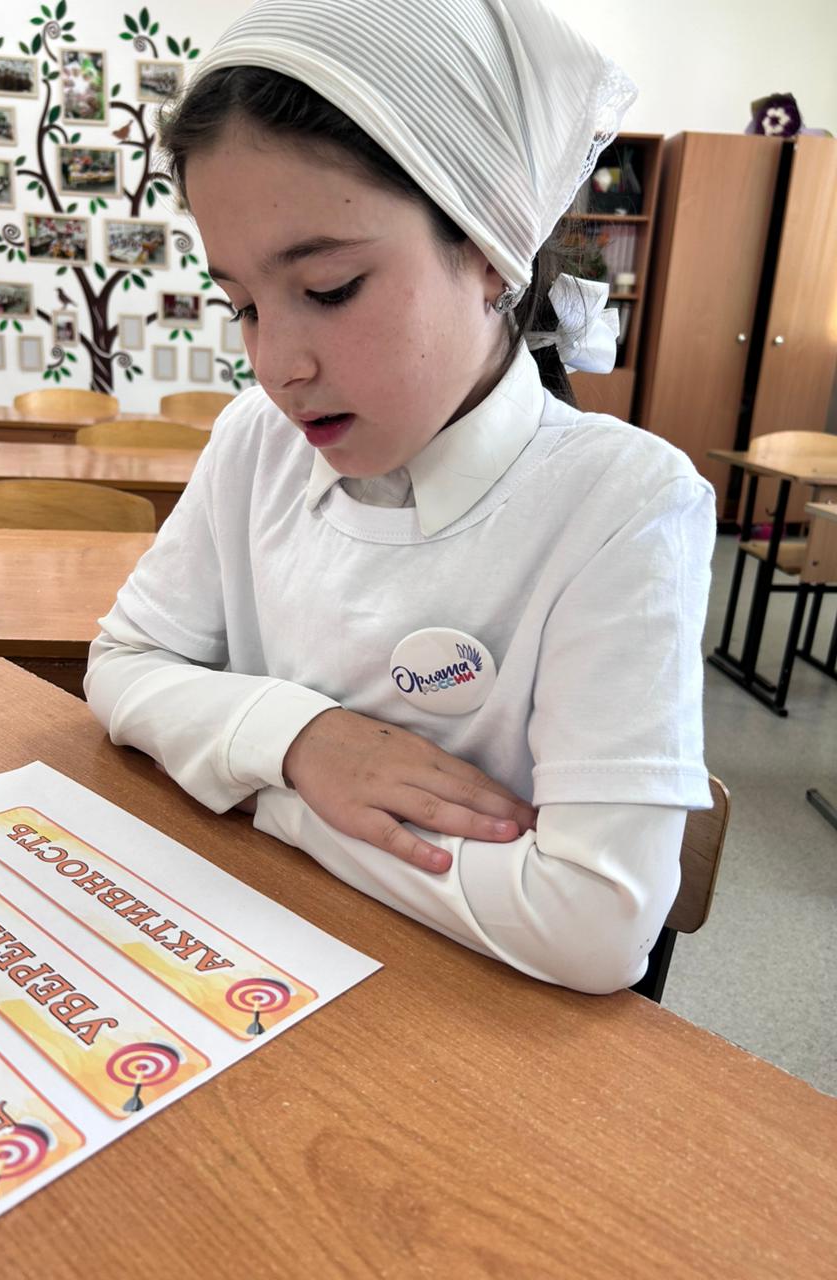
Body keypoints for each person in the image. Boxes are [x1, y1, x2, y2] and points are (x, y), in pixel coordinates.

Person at [85, 0, 716, 995]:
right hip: (249, 960)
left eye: (330, 288)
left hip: (459, 1025)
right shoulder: (255, 442)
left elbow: (596, 921)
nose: (276, 366)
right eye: (241, 305)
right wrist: (301, 740)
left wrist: (271, 789)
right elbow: (123, 661)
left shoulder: (624, 502)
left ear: (491, 242)